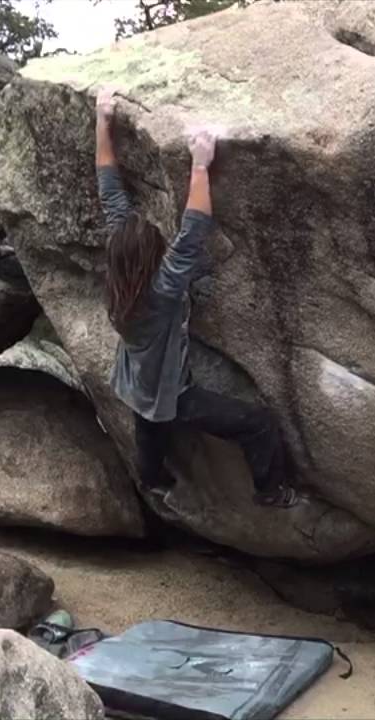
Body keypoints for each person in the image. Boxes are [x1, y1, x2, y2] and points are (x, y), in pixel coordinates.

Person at [95, 86, 298, 508]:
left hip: (133, 383)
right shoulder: (162, 293)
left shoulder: (120, 273)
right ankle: (270, 490)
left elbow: (110, 191)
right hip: (173, 394)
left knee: (148, 433)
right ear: (150, 262)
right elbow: (192, 233)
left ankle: (152, 479)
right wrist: (200, 164)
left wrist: (103, 120)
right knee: (256, 423)